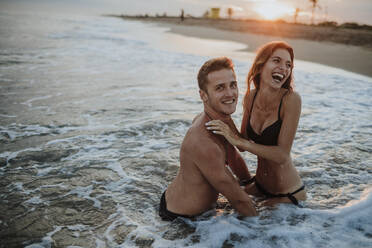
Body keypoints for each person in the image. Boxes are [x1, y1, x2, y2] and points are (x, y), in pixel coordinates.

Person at [206, 41, 306, 206]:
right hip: (259, 186)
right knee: (218, 207)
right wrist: (222, 115)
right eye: (276, 61)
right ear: (261, 65)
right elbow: (242, 144)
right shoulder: (251, 97)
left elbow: (282, 155)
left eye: (288, 65)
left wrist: (238, 140)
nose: (284, 68)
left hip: (288, 194)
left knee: (246, 223)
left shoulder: (291, 100)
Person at [159, 57, 257, 221]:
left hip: (186, 200)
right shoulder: (204, 143)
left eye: (233, 85)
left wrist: (249, 183)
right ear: (203, 95)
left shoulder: (221, 119)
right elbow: (240, 201)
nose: (230, 94)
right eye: (220, 88)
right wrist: (268, 233)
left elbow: (233, 155)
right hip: (182, 218)